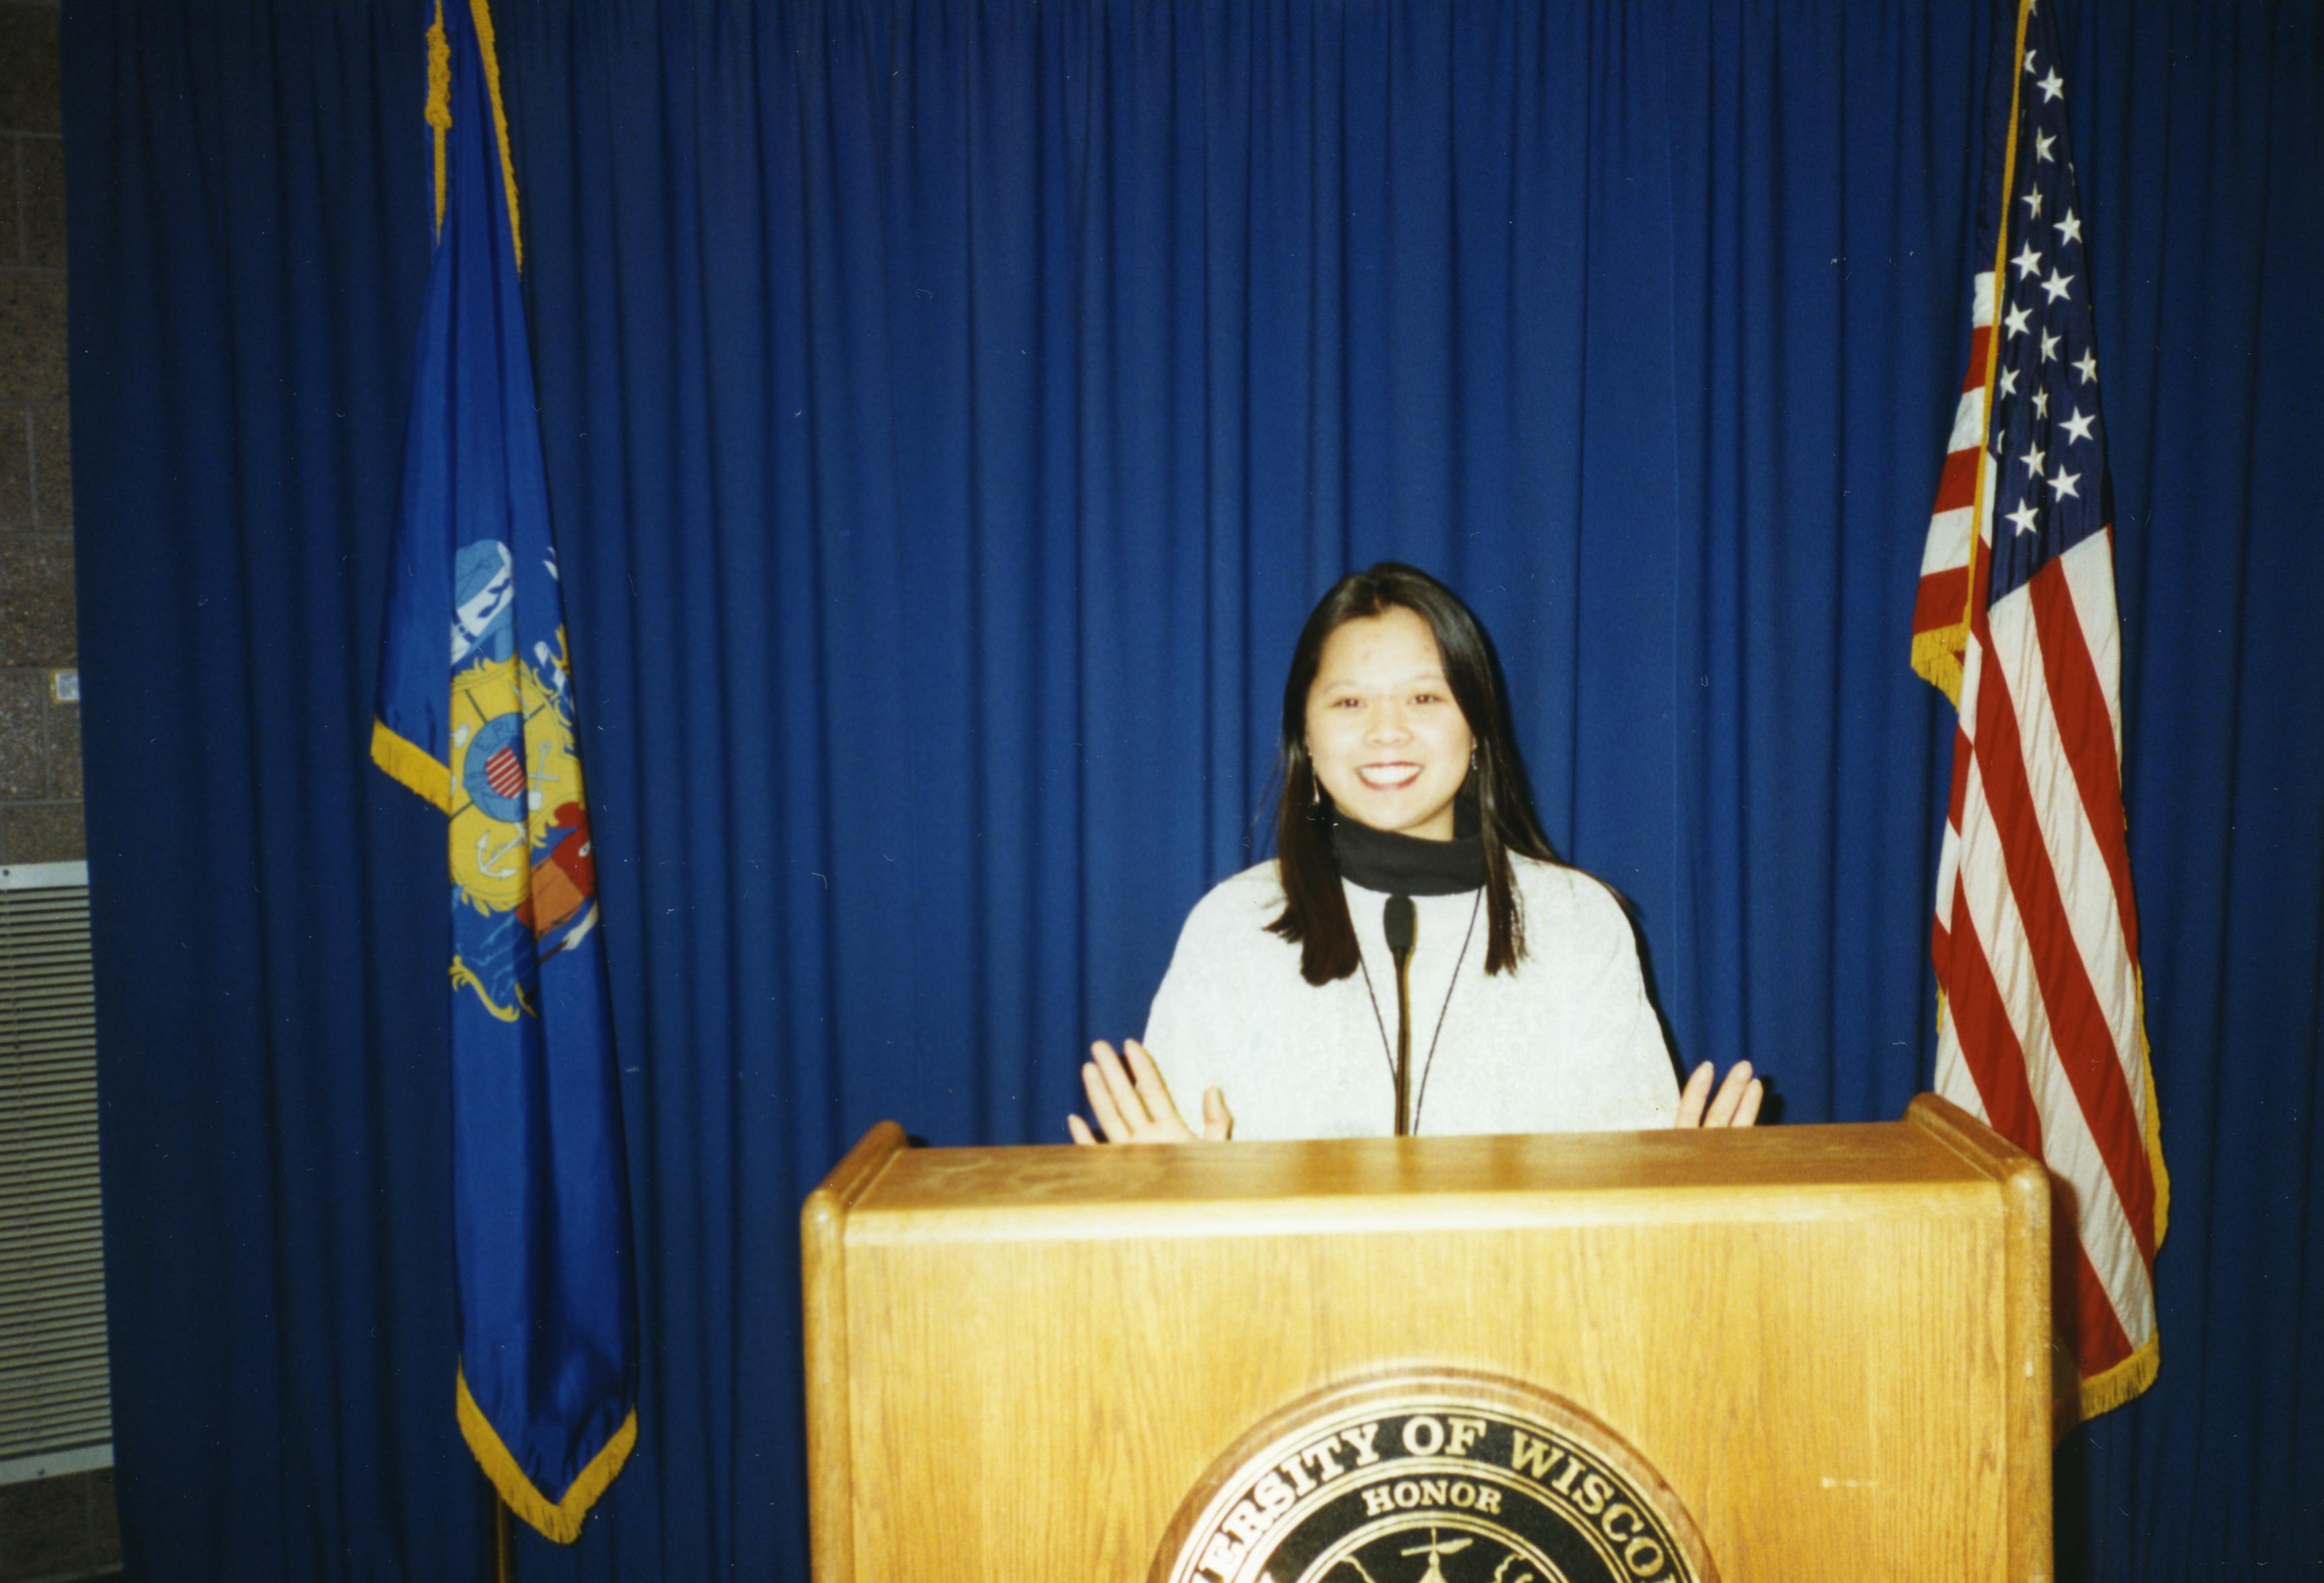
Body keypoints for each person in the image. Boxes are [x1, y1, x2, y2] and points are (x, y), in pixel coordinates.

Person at [1068, 563, 1764, 1145]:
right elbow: (1172, 1191)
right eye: (1350, 704)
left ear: (1478, 728)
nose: (1387, 732)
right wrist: (1168, 1192)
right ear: (1305, 736)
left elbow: (1629, 1197)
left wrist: (1677, 1188)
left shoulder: (1578, 922)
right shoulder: (1235, 925)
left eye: (1425, 697)